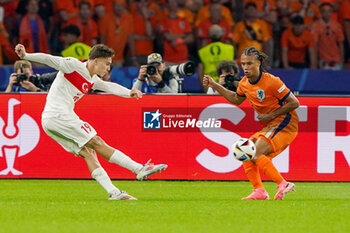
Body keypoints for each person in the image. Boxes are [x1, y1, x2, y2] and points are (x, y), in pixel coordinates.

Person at [14, 43, 168, 200]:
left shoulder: (92, 79)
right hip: (58, 116)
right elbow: (49, 59)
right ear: (96, 61)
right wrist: (26, 56)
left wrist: (130, 92)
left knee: (88, 152)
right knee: (97, 141)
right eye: (107, 63)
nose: (108, 68)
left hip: (50, 121)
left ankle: (114, 192)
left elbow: (109, 86)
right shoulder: (73, 65)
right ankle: (138, 168)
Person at [203, 47, 299, 200]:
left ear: (259, 63)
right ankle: (259, 191)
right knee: (245, 151)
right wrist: (215, 85)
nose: (246, 67)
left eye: (249, 63)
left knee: (254, 152)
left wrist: (271, 115)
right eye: (243, 64)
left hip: (286, 123)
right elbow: (236, 99)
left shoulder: (272, 81)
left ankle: (283, 183)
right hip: (271, 125)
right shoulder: (244, 83)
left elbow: (295, 102)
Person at [198, 24, 234, 92]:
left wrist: (204, 87)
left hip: (209, 85)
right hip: (226, 85)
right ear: (221, 35)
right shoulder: (230, 48)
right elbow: (234, 69)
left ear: (209, 36)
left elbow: (200, 72)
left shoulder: (202, 51)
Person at [313, 3, 344, 70]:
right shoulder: (316, 26)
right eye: (324, 11)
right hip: (323, 59)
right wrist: (314, 61)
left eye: (329, 11)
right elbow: (315, 44)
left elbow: (341, 43)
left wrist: (342, 59)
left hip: (336, 58)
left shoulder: (336, 25)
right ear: (321, 12)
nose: (326, 13)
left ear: (331, 12)